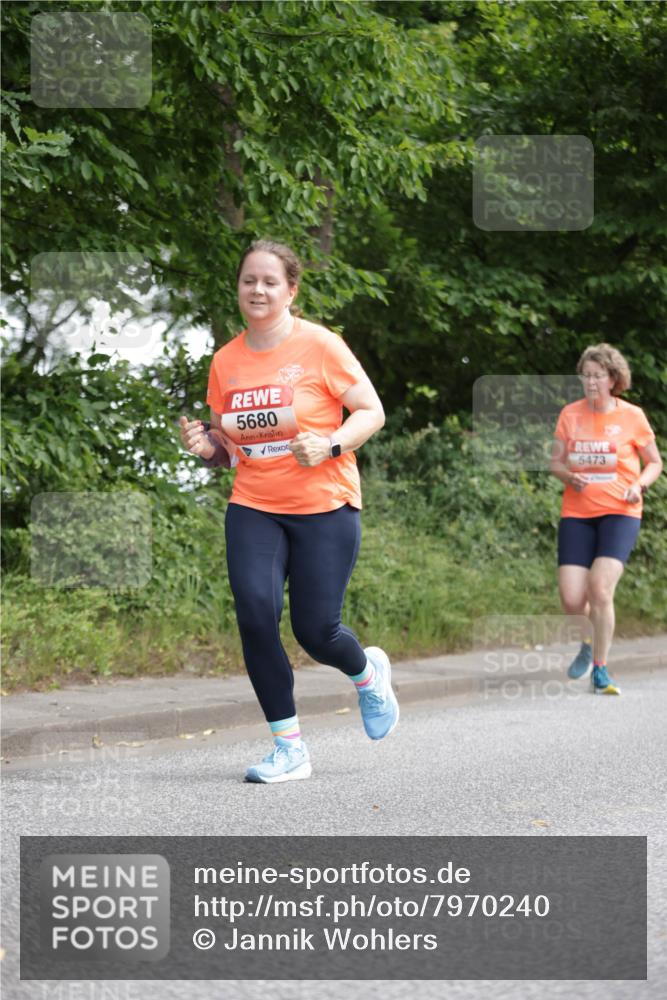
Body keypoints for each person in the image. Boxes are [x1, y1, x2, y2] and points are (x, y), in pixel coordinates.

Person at [179, 239, 398, 782]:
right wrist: (208, 448)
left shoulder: (321, 345)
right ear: (238, 288)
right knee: (255, 614)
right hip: (255, 504)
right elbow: (230, 446)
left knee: (316, 631)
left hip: (325, 504)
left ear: (291, 291)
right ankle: (289, 748)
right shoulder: (226, 361)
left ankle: (368, 675)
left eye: (270, 282)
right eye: (249, 280)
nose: (258, 290)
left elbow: (371, 411)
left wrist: (330, 444)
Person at [550, 344, 662, 694]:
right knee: (572, 598)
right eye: (586, 375)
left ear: (613, 379)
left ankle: (601, 670)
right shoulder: (570, 414)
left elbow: (654, 462)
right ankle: (587, 642)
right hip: (577, 513)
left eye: (598, 375)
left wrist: (639, 485)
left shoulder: (632, 416)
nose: (591, 382)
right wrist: (569, 476)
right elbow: (555, 463)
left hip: (620, 512)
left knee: (599, 588)